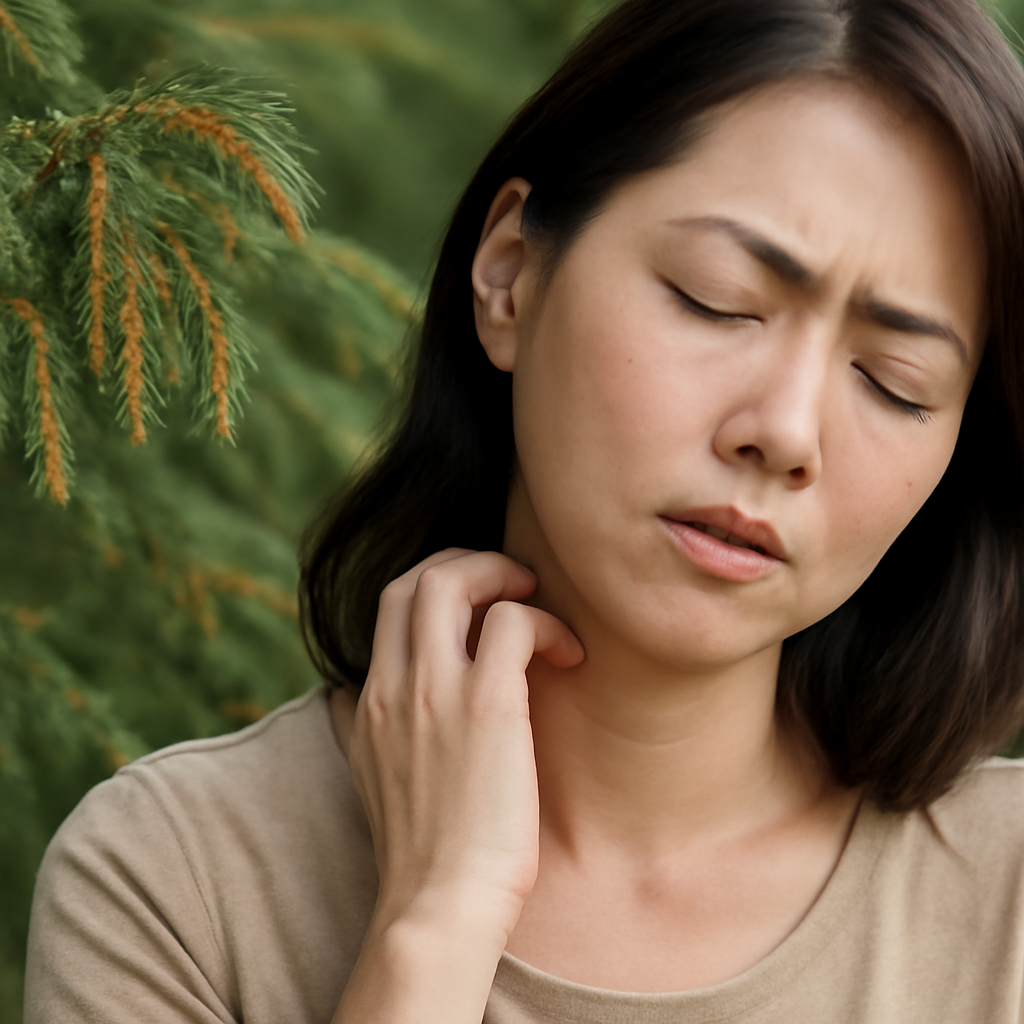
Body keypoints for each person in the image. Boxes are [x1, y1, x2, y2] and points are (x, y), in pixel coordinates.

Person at [23, 0, 1024, 1021]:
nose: (784, 431)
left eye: (896, 381)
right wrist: (434, 922)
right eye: (716, 297)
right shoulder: (177, 885)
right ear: (509, 274)